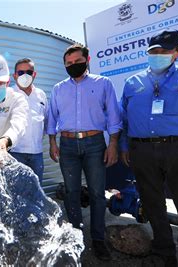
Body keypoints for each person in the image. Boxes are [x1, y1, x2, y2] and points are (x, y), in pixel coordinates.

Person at [120, 29, 178, 266]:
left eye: (164, 51)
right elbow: (125, 120)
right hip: (142, 151)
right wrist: (125, 146)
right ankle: (164, 253)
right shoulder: (133, 82)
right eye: (153, 51)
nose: (158, 55)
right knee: (152, 203)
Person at [47, 44, 122, 261]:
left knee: (98, 193)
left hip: (95, 143)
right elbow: (52, 117)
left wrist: (113, 144)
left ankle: (98, 239)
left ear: (87, 60)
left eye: (77, 62)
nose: (73, 66)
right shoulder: (58, 89)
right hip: (68, 146)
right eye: (68, 64)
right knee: (71, 192)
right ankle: (76, 236)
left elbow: (114, 117)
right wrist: (52, 142)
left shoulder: (103, 84)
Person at [9, 58, 48, 184]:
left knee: (36, 192)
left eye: (29, 72)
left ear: (34, 74)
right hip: (15, 153)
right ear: (15, 75)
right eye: (20, 72)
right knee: (16, 194)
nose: (25, 75)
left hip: (37, 154)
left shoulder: (41, 95)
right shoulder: (8, 94)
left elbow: (46, 120)